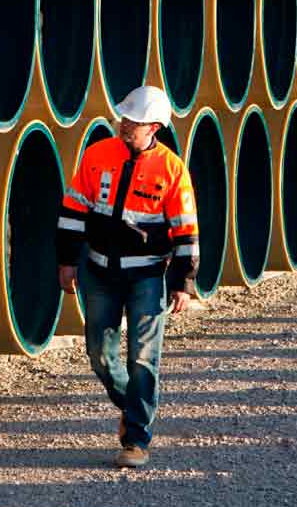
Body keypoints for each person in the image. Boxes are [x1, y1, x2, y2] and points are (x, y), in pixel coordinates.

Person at [56, 85, 199, 468]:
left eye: (133, 121)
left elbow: (186, 230)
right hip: (99, 271)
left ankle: (136, 439)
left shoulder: (171, 169)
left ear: (154, 127)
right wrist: (67, 261)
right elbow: (73, 211)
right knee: (100, 355)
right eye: (124, 117)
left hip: (147, 277)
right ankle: (133, 405)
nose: (124, 125)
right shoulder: (97, 155)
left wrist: (183, 283)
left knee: (144, 359)